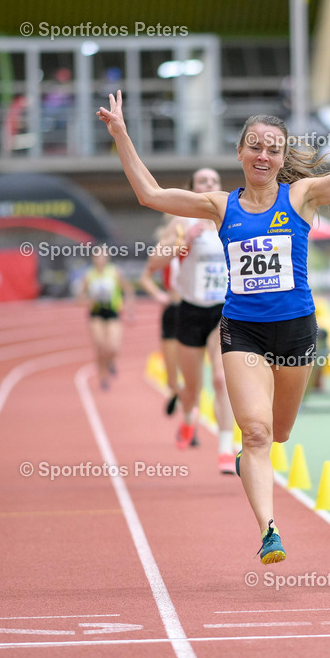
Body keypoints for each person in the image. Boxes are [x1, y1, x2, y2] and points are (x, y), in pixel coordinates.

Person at [97, 64, 330, 563]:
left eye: (273, 148)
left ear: (282, 158)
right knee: (255, 433)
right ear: (240, 153)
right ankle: (269, 531)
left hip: (297, 328)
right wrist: (122, 134)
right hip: (242, 329)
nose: (263, 154)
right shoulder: (220, 205)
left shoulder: (301, 195)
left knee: (279, 432)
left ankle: (248, 461)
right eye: (254, 145)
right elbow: (150, 195)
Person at [144, 167, 240, 474]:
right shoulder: (182, 222)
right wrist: (184, 242)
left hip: (222, 310)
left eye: (214, 181)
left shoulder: (231, 219)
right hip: (189, 310)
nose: (209, 185)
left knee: (222, 380)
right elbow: (154, 263)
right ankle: (188, 420)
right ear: (193, 188)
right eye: (203, 182)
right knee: (192, 388)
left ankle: (226, 449)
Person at [140, 223, 183, 417]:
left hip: (193, 310)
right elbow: (145, 278)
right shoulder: (164, 254)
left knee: (193, 370)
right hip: (172, 311)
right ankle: (174, 390)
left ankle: (189, 418)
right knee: (171, 369)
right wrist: (159, 295)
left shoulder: (194, 248)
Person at [80, 247, 134, 390]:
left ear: (107, 258)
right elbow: (80, 297)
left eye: (102, 256)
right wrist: (87, 300)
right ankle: (103, 377)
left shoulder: (115, 272)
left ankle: (110, 361)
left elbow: (128, 290)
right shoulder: (89, 275)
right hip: (96, 313)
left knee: (113, 348)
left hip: (112, 312)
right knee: (99, 346)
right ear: (93, 258)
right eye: (97, 257)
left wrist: (130, 310)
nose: (100, 259)